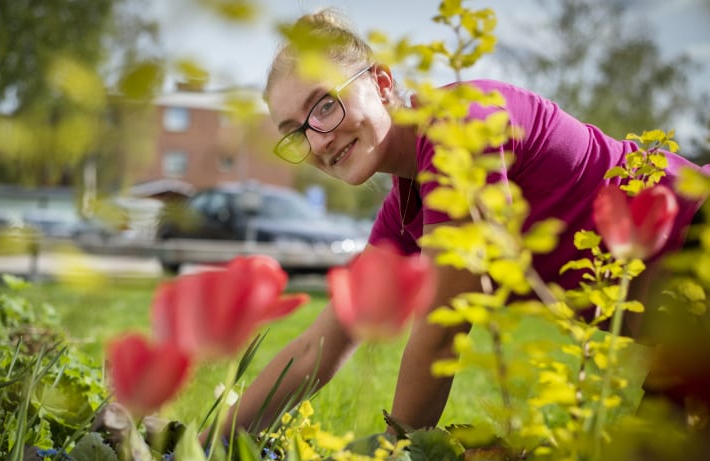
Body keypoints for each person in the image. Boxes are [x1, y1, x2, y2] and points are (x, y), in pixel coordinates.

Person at [215, 8, 710, 437]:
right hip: (687, 324)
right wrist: (201, 446)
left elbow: (441, 328)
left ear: (382, 84)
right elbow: (315, 348)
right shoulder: (405, 212)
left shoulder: (460, 126)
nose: (318, 140)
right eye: (295, 132)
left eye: (325, 105)